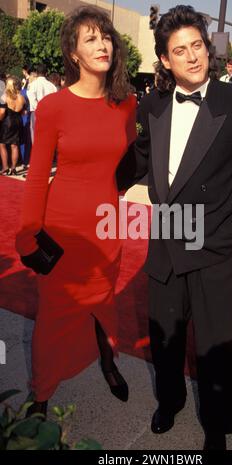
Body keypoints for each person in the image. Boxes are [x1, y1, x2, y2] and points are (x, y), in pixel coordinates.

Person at [117, 5, 232, 450]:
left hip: (215, 247)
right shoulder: (152, 104)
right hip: (166, 241)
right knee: (165, 337)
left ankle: (218, 426)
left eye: (197, 46)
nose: (192, 57)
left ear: (208, 48)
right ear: (164, 60)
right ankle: (169, 402)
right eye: (179, 50)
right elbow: (139, 166)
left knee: (217, 347)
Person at [16, 5, 136, 417]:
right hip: (63, 230)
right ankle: (42, 394)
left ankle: (108, 362)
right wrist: (27, 235)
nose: (102, 44)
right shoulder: (54, 108)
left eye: (105, 36)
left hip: (108, 226)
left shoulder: (127, 105)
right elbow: (35, 179)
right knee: (53, 315)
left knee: (105, 302)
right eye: (90, 38)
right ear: (73, 54)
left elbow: (129, 164)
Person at [0, 76, 25, 175]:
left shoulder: (4, 96)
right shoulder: (21, 97)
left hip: (7, 121)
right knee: (14, 145)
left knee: (2, 144)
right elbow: (24, 112)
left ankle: (5, 167)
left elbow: (2, 113)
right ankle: (13, 168)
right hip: (18, 121)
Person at [26, 63, 57, 142]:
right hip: (50, 114)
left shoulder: (32, 85)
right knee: (48, 139)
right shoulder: (52, 86)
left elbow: (32, 100)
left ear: (36, 73)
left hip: (37, 113)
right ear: (46, 73)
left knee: (36, 140)